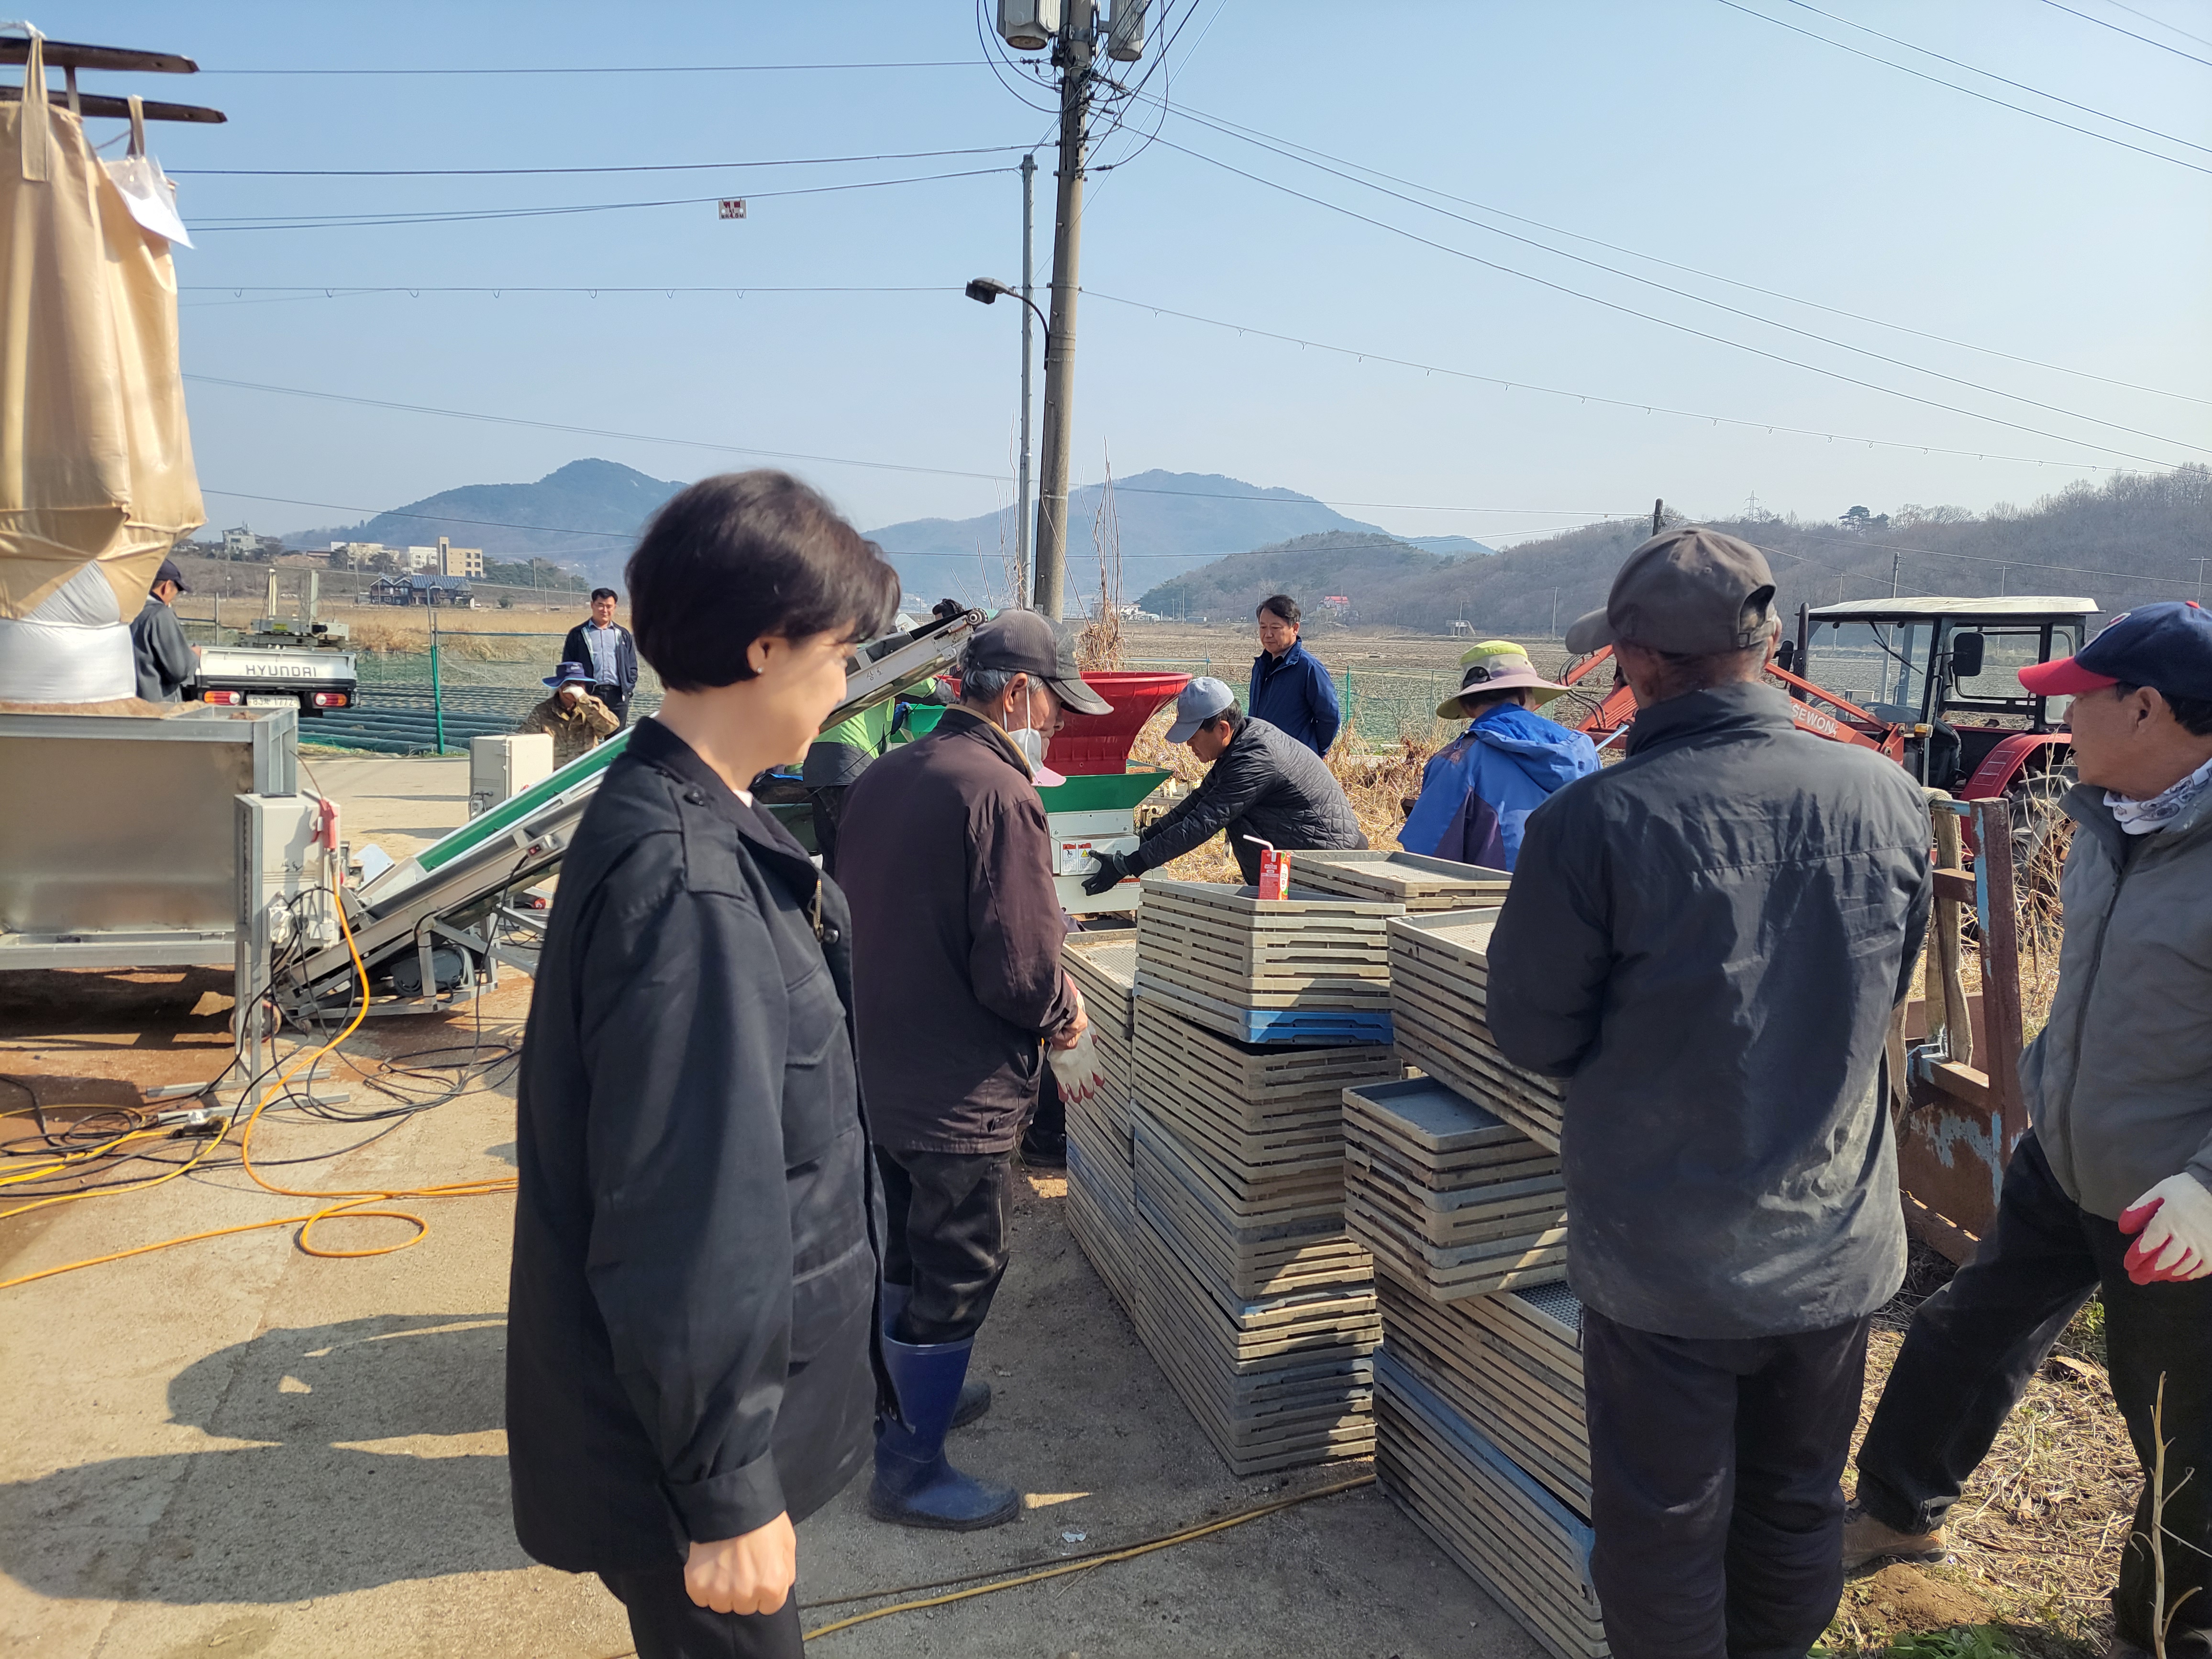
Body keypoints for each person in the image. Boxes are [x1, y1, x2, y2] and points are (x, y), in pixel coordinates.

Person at [1483, 527, 1932, 1659]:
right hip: (1833, 1249)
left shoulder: (1592, 822)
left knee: (1662, 1530)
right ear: (1766, 646)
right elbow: (1887, 990)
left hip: (1666, 1266)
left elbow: (1531, 1031)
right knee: (1795, 1504)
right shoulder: (1888, 796)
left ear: (1637, 661)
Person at [506, 470, 901, 1659]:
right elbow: (687, 1206)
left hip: (680, 1444)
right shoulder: (688, 881)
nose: (844, 685)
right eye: (839, 654)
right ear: (764, 647)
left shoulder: (694, 815)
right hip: (684, 1471)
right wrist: (728, 1486)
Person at [1847, 600, 2212, 1656]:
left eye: (2075, 702)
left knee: (2180, 1432)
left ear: (2143, 709)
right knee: (1963, 1332)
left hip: (2171, 1205)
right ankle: (1895, 1511)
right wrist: (2050, 1095)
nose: (2057, 721)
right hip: (2063, 1160)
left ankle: (2163, 1630)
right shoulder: (2108, 823)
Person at [836, 609, 1105, 1529]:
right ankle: (909, 1468)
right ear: (1018, 693)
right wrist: (1065, 1015)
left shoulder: (886, 774)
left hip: (883, 1065)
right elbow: (1021, 969)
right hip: (957, 1088)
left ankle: (907, 1399)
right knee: (961, 1265)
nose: (1054, 724)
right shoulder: (999, 793)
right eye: (1053, 705)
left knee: (907, 1249)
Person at [1083, 675, 1366, 894]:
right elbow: (1197, 803)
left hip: (1331, 866)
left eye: (1193, 736)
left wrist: (1130, 865)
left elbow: (1203, 823)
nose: (1189, 745)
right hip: (1316, 854)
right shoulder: (1243, 743)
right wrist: (1141, 840)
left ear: (1222, 729)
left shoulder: (1255, 760)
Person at [1400, 640, 1600, 871]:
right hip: (1576, 890)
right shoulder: (1584, 750)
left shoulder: (1458, 761)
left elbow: (1427, 858)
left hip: (1497, 893)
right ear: (1525, 696)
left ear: (1466, 706)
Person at [1248, 594, 1341, 756]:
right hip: (1261, 759)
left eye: (1275, 628)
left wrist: (1314, 754)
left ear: (1295, 628)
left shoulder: (1309, 668)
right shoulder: (1261, 666)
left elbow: (1330, 717)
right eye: (1263, 627)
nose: (1268, 634)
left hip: (1295, 761)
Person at [518, 662, 620, 767]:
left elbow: (610, 727)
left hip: (588, 767)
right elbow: (523, 741)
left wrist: (584, 700)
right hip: (557, 771)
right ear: (561, 687)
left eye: (581, 683)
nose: (577, 688)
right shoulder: (543, 711)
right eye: (572, 683)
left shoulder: (592, 706)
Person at [564, 587, 640, 728]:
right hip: (589, 695)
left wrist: (628, 687)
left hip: (618, 696)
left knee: (616, 737)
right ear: (592, 605)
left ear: (615, 608)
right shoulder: (578, 634)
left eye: (609, 606)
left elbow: (632, 666)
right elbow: (568, 666)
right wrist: (579, 691)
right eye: (600, 605)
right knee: (587, 735)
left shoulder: (623, 634)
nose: (605, 610)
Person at [131, 556, 197, 704]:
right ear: (166, 587)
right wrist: (194, 656)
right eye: (175, 592)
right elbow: (179, 670)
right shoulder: (160, 615)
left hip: (125, 704)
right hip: (155, 705)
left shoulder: (124, 611)